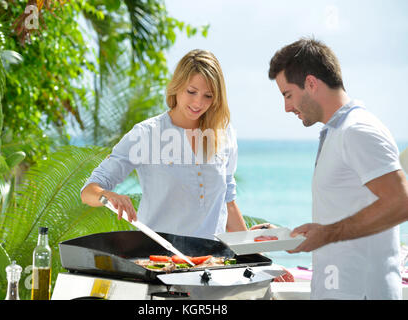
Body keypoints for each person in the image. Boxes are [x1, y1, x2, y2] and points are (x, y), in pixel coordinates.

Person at [268, 38, 408, 300]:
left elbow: (402, 202)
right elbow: (345, 209)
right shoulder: (336, 131)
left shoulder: (357, 130)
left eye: (288, 95)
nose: (286, 107)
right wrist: (305, 233)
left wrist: (328, 233)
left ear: (311, 83)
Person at [81, 49, 248, 240]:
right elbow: (88, 191)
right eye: (191, 92)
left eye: (208, 96)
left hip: (212, 260)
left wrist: (256, 254)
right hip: (159, 258)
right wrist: (108, 196)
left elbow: (228, 203)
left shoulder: (223, 134)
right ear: (177, 86)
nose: (198, 102)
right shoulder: (146, 134)